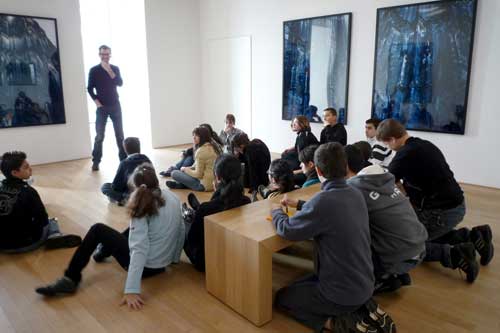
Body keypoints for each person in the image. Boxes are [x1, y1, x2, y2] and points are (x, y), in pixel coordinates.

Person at [272, 143, 393, 333]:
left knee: (282, 298)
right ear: (345, 168)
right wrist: (302, 205)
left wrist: (277, 212)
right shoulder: (355, 193)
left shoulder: (324, 201)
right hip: (365, 282)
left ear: (318, 170)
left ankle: (340, 324)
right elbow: (329, 212)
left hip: (341, 293)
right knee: (300, 282)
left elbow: (287, 230)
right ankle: (362, 309)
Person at [35, 164, 185, 311]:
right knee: (130, 232)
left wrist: (131, 290)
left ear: (138, 187)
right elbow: (181, 228)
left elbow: (139, 249)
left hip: (148, 268)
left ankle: (71, 279)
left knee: (98, 229)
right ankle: (103, 251)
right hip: (162, 264)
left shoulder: (142, 209)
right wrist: (174, 258)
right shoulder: (172, 197)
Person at [377, 119, 494, 283]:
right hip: (456, 204)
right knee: (420, 229)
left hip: (442, 212)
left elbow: (383, 182)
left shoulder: (405, 155)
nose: (388, 148)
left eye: (386, 144)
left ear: (392, 139)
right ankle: (474, 236)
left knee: (407, 243)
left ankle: (457, 255)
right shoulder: (424, 145)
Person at [345, 145, 428, 293]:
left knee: (348, 239)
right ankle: (391, 276)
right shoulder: (382, 177)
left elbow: (333, 214)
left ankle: (381, 277)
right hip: (420, 247)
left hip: (400, 257)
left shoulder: (354, 188)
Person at [0, 151, 82, 253]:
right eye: (26, 167)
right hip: (26, 244)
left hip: (2, 245)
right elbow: (42, 218)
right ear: (14, 173)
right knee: (50, 221)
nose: (30, 169)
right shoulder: (29, 191)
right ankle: (54, 235)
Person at [183, 154, 251, 272]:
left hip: (206, 262)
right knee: (201, 213)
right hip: (237, 256)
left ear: (218, 178)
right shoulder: (247, 201)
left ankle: (191, 214)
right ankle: (195, 212)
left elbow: (192, 239)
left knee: (183, 222)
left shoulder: (207, 209)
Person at [87, 45, 126, 171]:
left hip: (115, 105)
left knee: (120, 135)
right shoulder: (94, 70)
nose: (105, 56)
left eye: (107, 54)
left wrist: (110, 71)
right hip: (102, 107)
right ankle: (96, 161)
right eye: (103, 54)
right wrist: (96, 101)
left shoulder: (115, 68)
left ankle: (124, 161)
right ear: (99, 55)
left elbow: (120, 83)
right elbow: (89, 88)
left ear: (110, 55)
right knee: (99, 136)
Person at [166, 127, 219, 191]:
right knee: (184, 171)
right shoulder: (213, 146)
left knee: (174, 173)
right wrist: (188, 169)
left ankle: (181, 185)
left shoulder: (201, 151)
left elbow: (198, 174)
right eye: (193, 135)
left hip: (203, 185)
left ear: (202, 137)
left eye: (196, 135)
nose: (194, 137)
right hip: (213, 183)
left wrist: (185, 170)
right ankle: (180, 185)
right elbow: (197, 166)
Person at [101, 137, 151, 205]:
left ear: (125, 150)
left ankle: (123, 200)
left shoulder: (124, 163)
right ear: (139, 147)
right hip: (149, 191)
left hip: (132, 194)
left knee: (105, 186)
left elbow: (117, 186)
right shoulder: (146, 159)